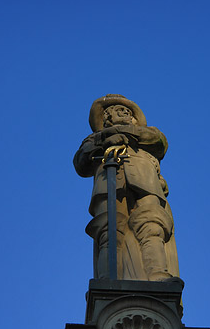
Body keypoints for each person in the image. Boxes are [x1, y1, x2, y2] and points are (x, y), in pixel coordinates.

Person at [73, 94, 179, 281]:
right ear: (106, 117)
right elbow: (81, 163)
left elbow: (158, 141)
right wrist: (104, 141)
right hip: (107, 183)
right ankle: (107, 279)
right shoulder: (94, 138)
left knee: (151, 223)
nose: (124, 112)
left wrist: (125, 133)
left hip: (145, 180)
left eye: (128, 111)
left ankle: (158, 274)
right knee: (108, 230)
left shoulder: (146, 132)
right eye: (117, 110)